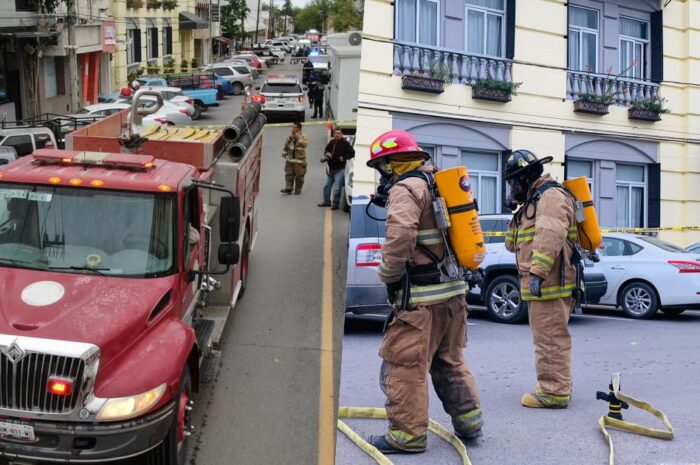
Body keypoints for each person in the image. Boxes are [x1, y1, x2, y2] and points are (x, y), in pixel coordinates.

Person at [365, 130, 483, 454]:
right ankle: (470, 424)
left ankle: (407, 436)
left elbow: (401, 236)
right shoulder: (437, 185)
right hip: (454, 296)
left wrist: (388, 275)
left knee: (405, 366)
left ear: (390, 163)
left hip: (420, 300)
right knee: (450, 361)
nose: (381, 175)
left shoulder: (407, 188)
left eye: (380, 167)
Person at [503, 150, 578, 409]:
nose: (513, 187)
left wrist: (537, 273)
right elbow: (512, 245)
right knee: (547, 337)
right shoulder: (536, 199)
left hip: (549, 284)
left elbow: (549, 235)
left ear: (525, 177)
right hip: (545, 284)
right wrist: (516, 213)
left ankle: (553, 392)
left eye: (514, 182)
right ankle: (558, 383)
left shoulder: (550, 196)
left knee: (550, 338)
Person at [317, 128, 354, 210]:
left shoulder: (345, 144)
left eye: (338, 133)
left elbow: (352, 153)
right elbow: (326, 149)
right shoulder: (331, 142)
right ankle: (326, 202)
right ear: (333, 134)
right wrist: (327, 153)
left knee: (337, 188)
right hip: (331, 169)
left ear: (341, 134)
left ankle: (335, 204)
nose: (337, 135)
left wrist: (343, 158)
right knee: (327, 186)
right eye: (335, 133)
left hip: (340, 170)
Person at [281, 122, 308, 195]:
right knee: (289, 174)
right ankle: (288, 188)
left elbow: (305, 144)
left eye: (294, 127)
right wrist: (284, 152)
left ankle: (297, 190)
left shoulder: (303, 136)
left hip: (299, 161)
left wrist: (298, 138)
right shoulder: (290, 136)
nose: (293, 129)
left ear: (299, 128)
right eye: (293, 127)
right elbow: (286, 144)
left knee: (299, 177)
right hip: (290, 160)